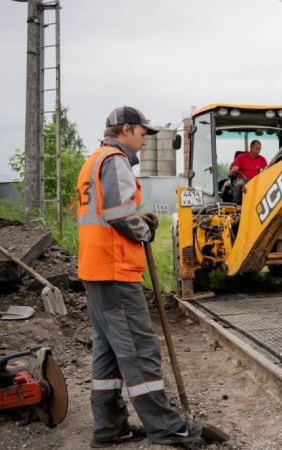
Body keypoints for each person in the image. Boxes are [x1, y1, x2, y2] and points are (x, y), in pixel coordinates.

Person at [76, 106, 202, 447]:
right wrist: (142, 230)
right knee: (139, 349)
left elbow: (107, 210)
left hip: (95, 269)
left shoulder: (94, 160)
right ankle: (165, 426)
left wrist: (136, 216)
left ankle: (110, 427)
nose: (145, 142)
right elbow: (117, 213)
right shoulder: (115, 159)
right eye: (143, 134)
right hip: (115, 271)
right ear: (126, 129)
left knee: (108, 352)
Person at [229, 140, 268, 204]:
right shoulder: (241, 157)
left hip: (256, 181)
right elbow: (231, 173)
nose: (258, 151)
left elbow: (267, 172)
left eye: (259, 149)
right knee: (239, 184)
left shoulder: (262, 159)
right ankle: (237, 204)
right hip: (243, 180)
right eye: (256, 148)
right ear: (251, 147)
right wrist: (233, 170)